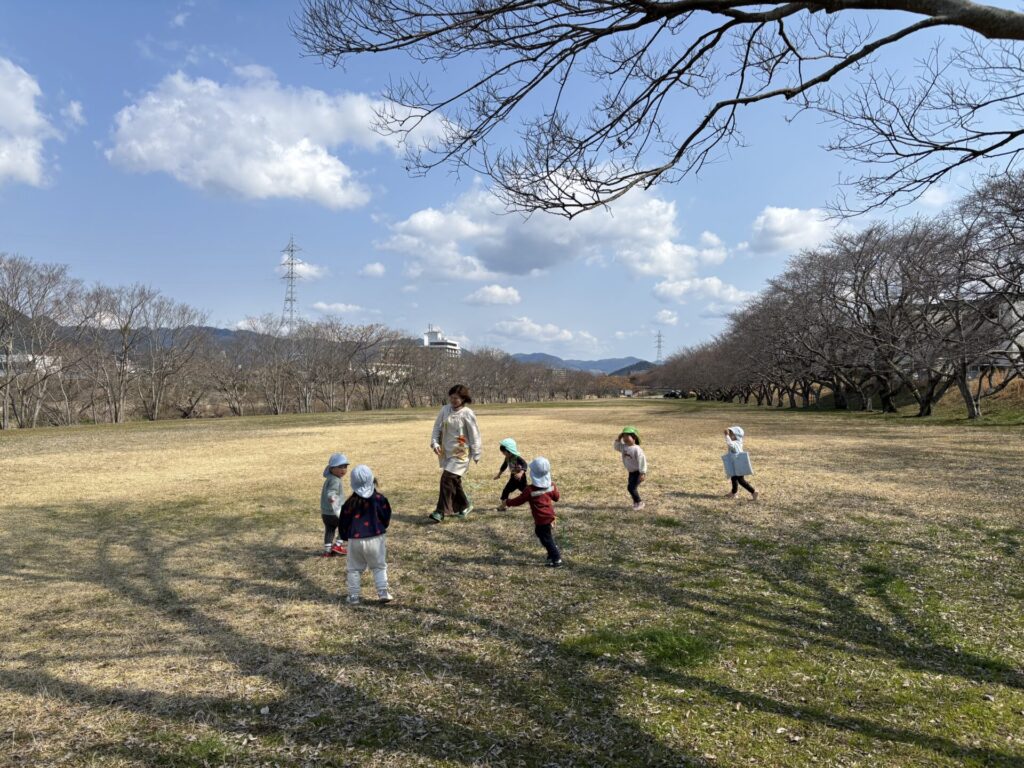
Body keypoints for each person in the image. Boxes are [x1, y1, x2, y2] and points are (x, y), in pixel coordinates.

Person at [340, 464, 393, 604]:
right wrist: (382, 526)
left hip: (355, 540)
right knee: (379, 566)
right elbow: (386, 515)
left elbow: (343, 522)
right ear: (372, 479)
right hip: (376, 537)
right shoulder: (379, 499)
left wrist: (344, 536)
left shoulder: (349, 503)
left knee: (354, 569)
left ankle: (353, 596)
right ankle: (383, 592)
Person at [428, 384, 482, 522]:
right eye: (451, 397)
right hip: (447, 451)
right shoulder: (445, 410)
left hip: (461, 453)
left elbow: (475, 434)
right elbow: (437, 428)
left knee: (446, 479)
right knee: (454, 480)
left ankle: (440, 511)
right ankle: (465, 505)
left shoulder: (467, 413)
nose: (453, 400)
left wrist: (476, 452)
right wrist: (435, 443)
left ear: (463, 399)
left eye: (456, 398)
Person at [506, 457, 563, 567]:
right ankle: (551, 549)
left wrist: (507, 502)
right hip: (549, 516)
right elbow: (556, 498)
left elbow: (519, 501)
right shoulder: (551, 485)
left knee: (546, 538)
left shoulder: (530, 490)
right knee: (540, 533)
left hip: (542, 519)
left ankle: (556, 558)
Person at [319, 452, 349, 557]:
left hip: (325, 513)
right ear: (331, 468)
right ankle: (338, 545)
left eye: (345, 467)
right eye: (340, 467)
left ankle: (327, 551)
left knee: (330, 530)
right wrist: (332, 497)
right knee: (345, 526)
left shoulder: (329, 478)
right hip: (335, 512)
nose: (343, 470)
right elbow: (331, 491)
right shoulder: (335, 480)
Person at [613, 426, 648, 510]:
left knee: (631, 488)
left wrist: (642, 473)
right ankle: (636, 502)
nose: (625, 438)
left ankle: (640, 502)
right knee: (631, 487)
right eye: (624, 436)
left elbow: (642, 461)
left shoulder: (637, 449)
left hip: (638, 472)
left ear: (634, 437)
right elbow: (616, 447)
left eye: (627, 436)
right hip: (631, 472)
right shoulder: (624, 447)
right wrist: (618, 439)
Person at [724, 426, 759, 501]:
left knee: (740, 480)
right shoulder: (737, 442)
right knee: (734, 478)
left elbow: (730, 445)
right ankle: (734, 493)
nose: (730, 435)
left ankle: (753, 492)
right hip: (735, 463)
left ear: (736, 435)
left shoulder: (736, 443)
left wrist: (726, 436)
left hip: (738, 464)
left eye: (731, 434)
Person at [493, 437, 528, 510]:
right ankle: (503, 506)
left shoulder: (517, 458)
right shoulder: (507, 458)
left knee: (527, 492)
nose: (503, 454)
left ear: (510, 451)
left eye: (504, 452)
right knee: (506, 491)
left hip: (521, 479)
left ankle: (538, 500)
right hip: (513, 478)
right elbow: (504, 466)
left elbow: (525, 465)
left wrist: (521, 473)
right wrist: (499, 475)